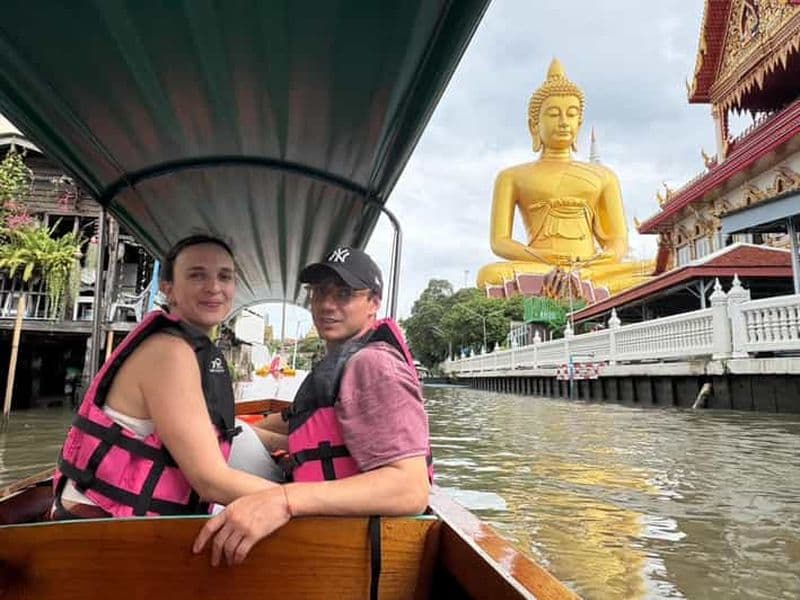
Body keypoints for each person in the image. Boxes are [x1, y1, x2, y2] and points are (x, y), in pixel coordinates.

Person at [193, 247, 432, 566]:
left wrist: (284, 500)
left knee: (214, 449)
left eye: (344, 294)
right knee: (223, 438)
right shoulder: (344, 362)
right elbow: (312, 441)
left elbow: (410, 488)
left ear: (373, 303)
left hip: (347, 549)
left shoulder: (374, 366)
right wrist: (242, 430)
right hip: (325, 526)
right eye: (319, 293)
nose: (326, 305)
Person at [51, 234, 276, 519]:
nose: (214, 287)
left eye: (225, 276)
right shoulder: (169, 352)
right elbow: (210, 481)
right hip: (98, 525)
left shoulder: (191, 350)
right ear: (168, 289)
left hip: (135, 518)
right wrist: (295, 499)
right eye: (197, 275)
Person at [475, 58, 652, 296]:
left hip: (589, 267)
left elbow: (617, 241)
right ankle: (576, 285)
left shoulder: (604, 176)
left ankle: (578, 283)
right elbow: (499, 242)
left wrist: (603, 258)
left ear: (579, 123)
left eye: (571, 114)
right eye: (553, 114)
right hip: (541, 266)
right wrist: (548, 258)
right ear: (533, 126)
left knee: (650, 269)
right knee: (489, 275)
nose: (563, 122)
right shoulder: (511, 177)